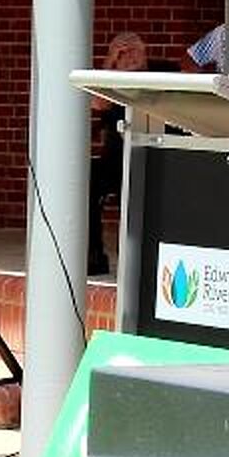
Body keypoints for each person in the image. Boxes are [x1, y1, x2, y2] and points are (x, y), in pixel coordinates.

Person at [87, 32, 148, 276]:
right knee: (87, 181)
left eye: (135, 51)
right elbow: (96, 103)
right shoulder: (111, 83)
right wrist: (109, 63)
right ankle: (94, 257)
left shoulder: (157, 74)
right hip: (116, 160)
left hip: (150, 157)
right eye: (122, 53)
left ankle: (140, 261)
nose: (130, 57)